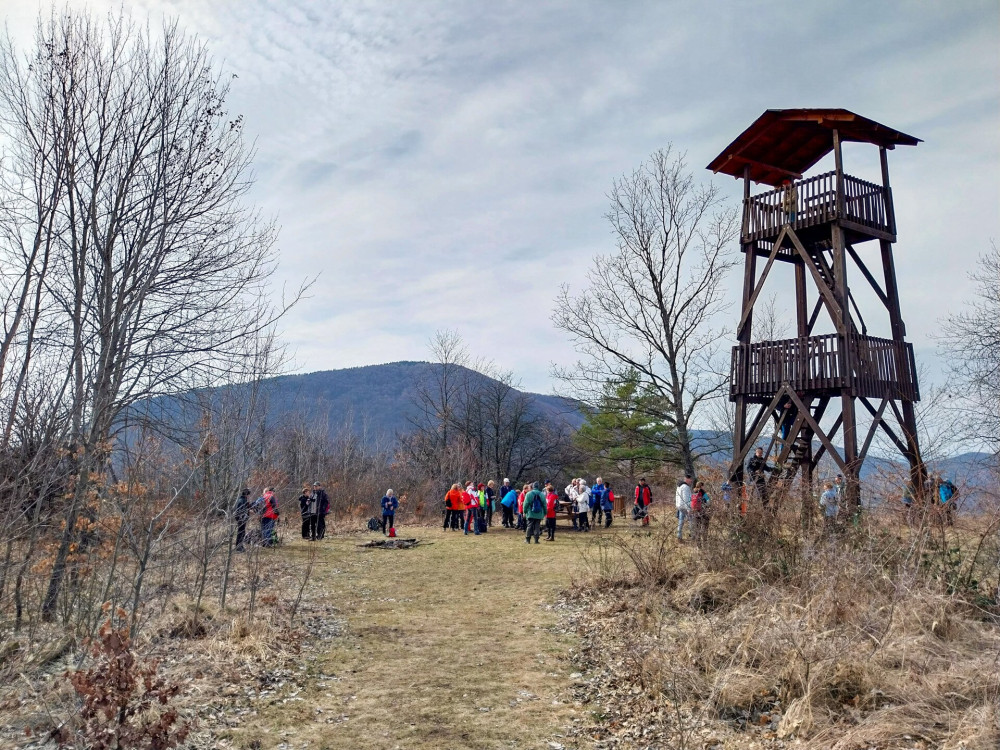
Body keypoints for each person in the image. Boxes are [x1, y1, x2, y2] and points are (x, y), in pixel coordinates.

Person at [675, 475, 692, 541]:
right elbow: (686, 498)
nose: (691, 481)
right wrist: (688, 509)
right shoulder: (685, 487)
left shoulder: (679, 486)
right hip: (684, 507)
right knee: (691, 520)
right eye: (690, 479)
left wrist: (677, 505)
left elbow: (677, 496)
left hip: (679, 506)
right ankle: (693, 535)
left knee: (681, 521)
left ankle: (679, 536)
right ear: (687, 479)